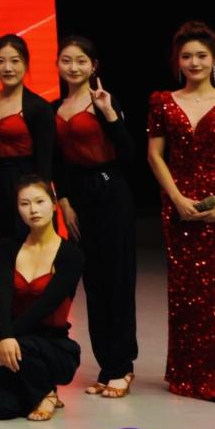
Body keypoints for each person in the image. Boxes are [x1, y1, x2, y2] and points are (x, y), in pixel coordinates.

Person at [146, 21, 215, 402]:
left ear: (214, 60)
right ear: (177, 62)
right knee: (185, 292)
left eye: (201, 56)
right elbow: (155, 156)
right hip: (178, 203)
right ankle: (187, 375)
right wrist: (177, 198)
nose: (193, 62)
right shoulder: (162, 101)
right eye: (186, 56)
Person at [53, 35, 139, 399]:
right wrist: (64, 202)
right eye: (66, 60)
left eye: (81, 61)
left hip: (111, 192)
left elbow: (129, 154)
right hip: (79, 200)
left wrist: (108, 113)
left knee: (117, 281)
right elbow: (58, 164)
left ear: (93, 66)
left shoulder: (104, 100)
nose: (73, 67)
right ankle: (107, 366)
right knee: (94, 283)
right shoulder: (56, 108)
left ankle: (123, 366)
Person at [0, 175, 83, 420]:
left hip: (52, 346)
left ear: (54, 204)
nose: (33, 210)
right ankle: (35, 390)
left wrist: (4, 337)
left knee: (22, 347)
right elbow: (2, 299)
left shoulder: (71, 254)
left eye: (39, 201)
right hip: (13, 341)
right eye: (24, 204)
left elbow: (44, 307)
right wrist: (3, 335)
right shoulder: (6, 248)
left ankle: (47, 392)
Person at [0, 35, 54, 271]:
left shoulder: (39, 107)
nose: (8, 68)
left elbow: (45, 162)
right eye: (1, 61)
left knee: (29, 261)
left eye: (15, 61)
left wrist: (42, 202)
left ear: (26, 63)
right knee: (1, 259)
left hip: (26, 187)